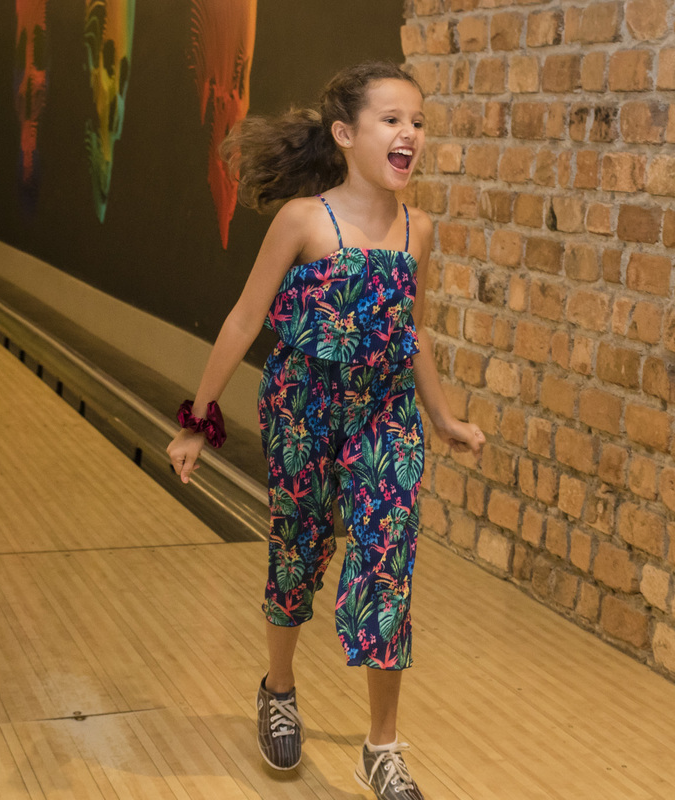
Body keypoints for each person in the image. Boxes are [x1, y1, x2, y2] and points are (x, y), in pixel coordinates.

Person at [166, 60, 485, 800]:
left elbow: (416, 334)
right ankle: (279, 688)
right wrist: (196, 422)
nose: (410, 134)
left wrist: (441, 417)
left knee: (385, 569)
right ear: (345, 135)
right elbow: (246, 318)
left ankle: (382, 748)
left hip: (386, 419)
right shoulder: (305, 220)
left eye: (418, 122)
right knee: (298, 553)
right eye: (392, 120)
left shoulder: (419, 231)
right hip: (305, 412)